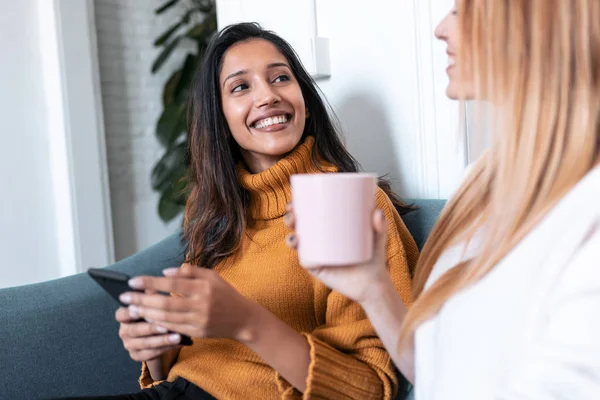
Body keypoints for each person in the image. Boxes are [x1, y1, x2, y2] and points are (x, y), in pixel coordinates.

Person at [76, 23, 419, 400]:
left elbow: (366, 389)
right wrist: (157, 348)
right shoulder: (215, 211)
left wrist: (246, 322)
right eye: (241, 87)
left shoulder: (352, 206)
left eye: (281, 78)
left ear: (304, 96)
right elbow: (182, 367)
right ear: (220, 116)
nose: (268, 96)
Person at [286, 0, 600, 398]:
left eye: (463, 11)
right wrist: (372, 285)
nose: (440, 28)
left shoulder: (588, 209)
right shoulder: (482, 181)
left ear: (536, 23)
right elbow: (440, 370)